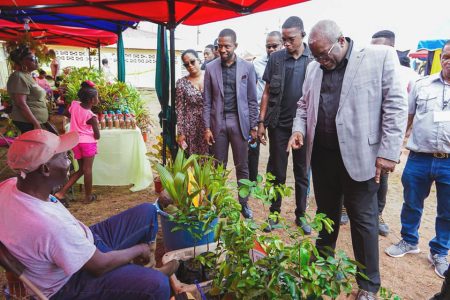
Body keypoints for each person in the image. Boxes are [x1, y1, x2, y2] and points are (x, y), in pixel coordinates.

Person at [288, 20, 407, 299]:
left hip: (361, 158)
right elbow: (303, 106)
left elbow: (396, 105)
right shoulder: (313, 67)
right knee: (325, 215)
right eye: (315, 56)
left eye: (324, 54)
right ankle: (322, 267)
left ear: (341, 40)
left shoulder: (379, 57)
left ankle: (368, 287)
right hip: (323, 156)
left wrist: (388, 152)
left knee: (363, 220)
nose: (320, 61)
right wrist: (297, 129)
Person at [0, 129, 176, 299]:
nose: (70, 161)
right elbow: (99, 266)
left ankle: (142, 272)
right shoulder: (49, 226)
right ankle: (145, 277)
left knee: (146, 211)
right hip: (70, 281)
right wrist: (139, 249)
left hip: (82, 243)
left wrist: (12, 269)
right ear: (45, 169)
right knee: (158, 285)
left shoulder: (8, 186)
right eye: (63, 156)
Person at [385, 40, 450, 279]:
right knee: (411, 202)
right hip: (419, 157)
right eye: (446, 56)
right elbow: (407, 119)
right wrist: (395, 150)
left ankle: (440, 251)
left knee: (447, 211)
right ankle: (409, 240)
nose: (448, 61)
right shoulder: (422, 85)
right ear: (440, 57)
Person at [257, 17, 312, 233]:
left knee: (302, 172)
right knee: (277, 172)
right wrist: (261, 122)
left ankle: (301, 215)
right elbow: (267, 92)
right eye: (284, 39)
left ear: (302, 36)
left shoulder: (313, 60)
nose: (286, 43)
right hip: (278, 125)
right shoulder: (276, 59)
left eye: (291, 39)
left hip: (304, 128)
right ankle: (274, 213)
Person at [203, 28, 258, 219]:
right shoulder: (210, 68)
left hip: (239, 122)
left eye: (227, 46)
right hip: (218, 122)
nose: (223, 50)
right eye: (220, 46)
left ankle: (244, 204)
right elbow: (207, 100)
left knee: (242, 166)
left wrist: (253, 126)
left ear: (236, 45)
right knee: (218, 166)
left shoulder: (247, 68)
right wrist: (207, 127)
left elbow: (252, 99)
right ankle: (219, 203)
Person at [54, 81, 100, 204]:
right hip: (88, 143)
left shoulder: (74, 105)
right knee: (88, 170)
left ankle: (61, 193)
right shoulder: (91, 116)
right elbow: (97, 135)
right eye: (97, 97)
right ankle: (88, 197)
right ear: (91, 100)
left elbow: (66, 112)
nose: (98, 99)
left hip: (75, 142)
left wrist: (75, 118)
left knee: (81, 169)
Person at [250, 31, 282, 182]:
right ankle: (252, 182)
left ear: (282, 44)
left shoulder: (285, 62)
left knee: (276, 151)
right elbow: (253, 90)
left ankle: (271, 183)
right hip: (259, 111)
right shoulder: (257, 64)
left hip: (276, 113)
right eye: (268, 46)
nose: (271, 49)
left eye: (274, 46)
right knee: (253, 148)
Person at [6, 46, 53, 134]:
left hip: (34, 122)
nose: (36, 60)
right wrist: (35, 123)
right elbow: (21, 104)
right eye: (33, 58)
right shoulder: (18, 76)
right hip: (27, 123)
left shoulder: (27, 75)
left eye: (36, 58)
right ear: (22, 62)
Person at [176, 49, 209, 156]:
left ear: (199, 60)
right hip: (191, 127)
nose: (190, 65)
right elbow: (180, 109)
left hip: (209, 125)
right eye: (186, 64)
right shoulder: (182, 83)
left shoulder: (211, 77)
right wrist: (181, 132)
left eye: (192, 62)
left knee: (209, 159)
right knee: (192, 159)